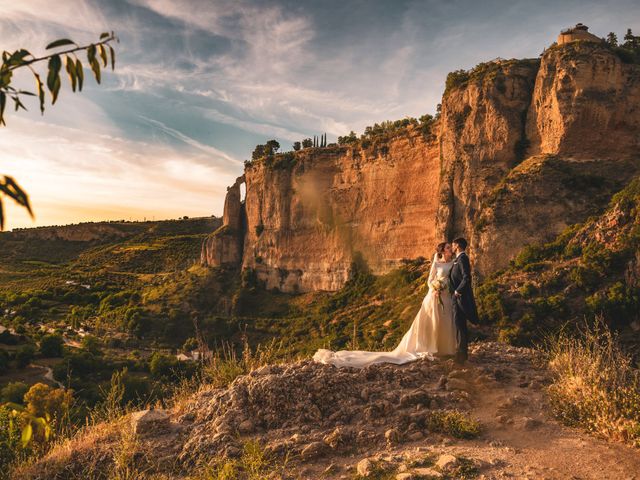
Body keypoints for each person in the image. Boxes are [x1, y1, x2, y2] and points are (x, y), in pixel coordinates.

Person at [313, 242, 458, 368]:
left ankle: (444, 348)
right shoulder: (437, 263)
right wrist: (435, 287)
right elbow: (429, 280)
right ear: (442, 251)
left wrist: (445, 287)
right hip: (434, 296)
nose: (450, 249)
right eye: (447, 247)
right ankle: (430, 347)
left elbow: (454, 278)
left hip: (446, 296)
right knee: (431, 321)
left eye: (450, 247)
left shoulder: (454, 262)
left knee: (445, 321)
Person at [449, 237, 479, 364]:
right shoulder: (458, 259)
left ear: (458, 246)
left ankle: (461, 356)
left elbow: (466, 278)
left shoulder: (463, 258)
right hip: (456, 297)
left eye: (453, 244)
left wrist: (457, 292)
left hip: (459, 297)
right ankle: (460, 353)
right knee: (458, 324)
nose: (451, 246)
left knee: (460, 325)